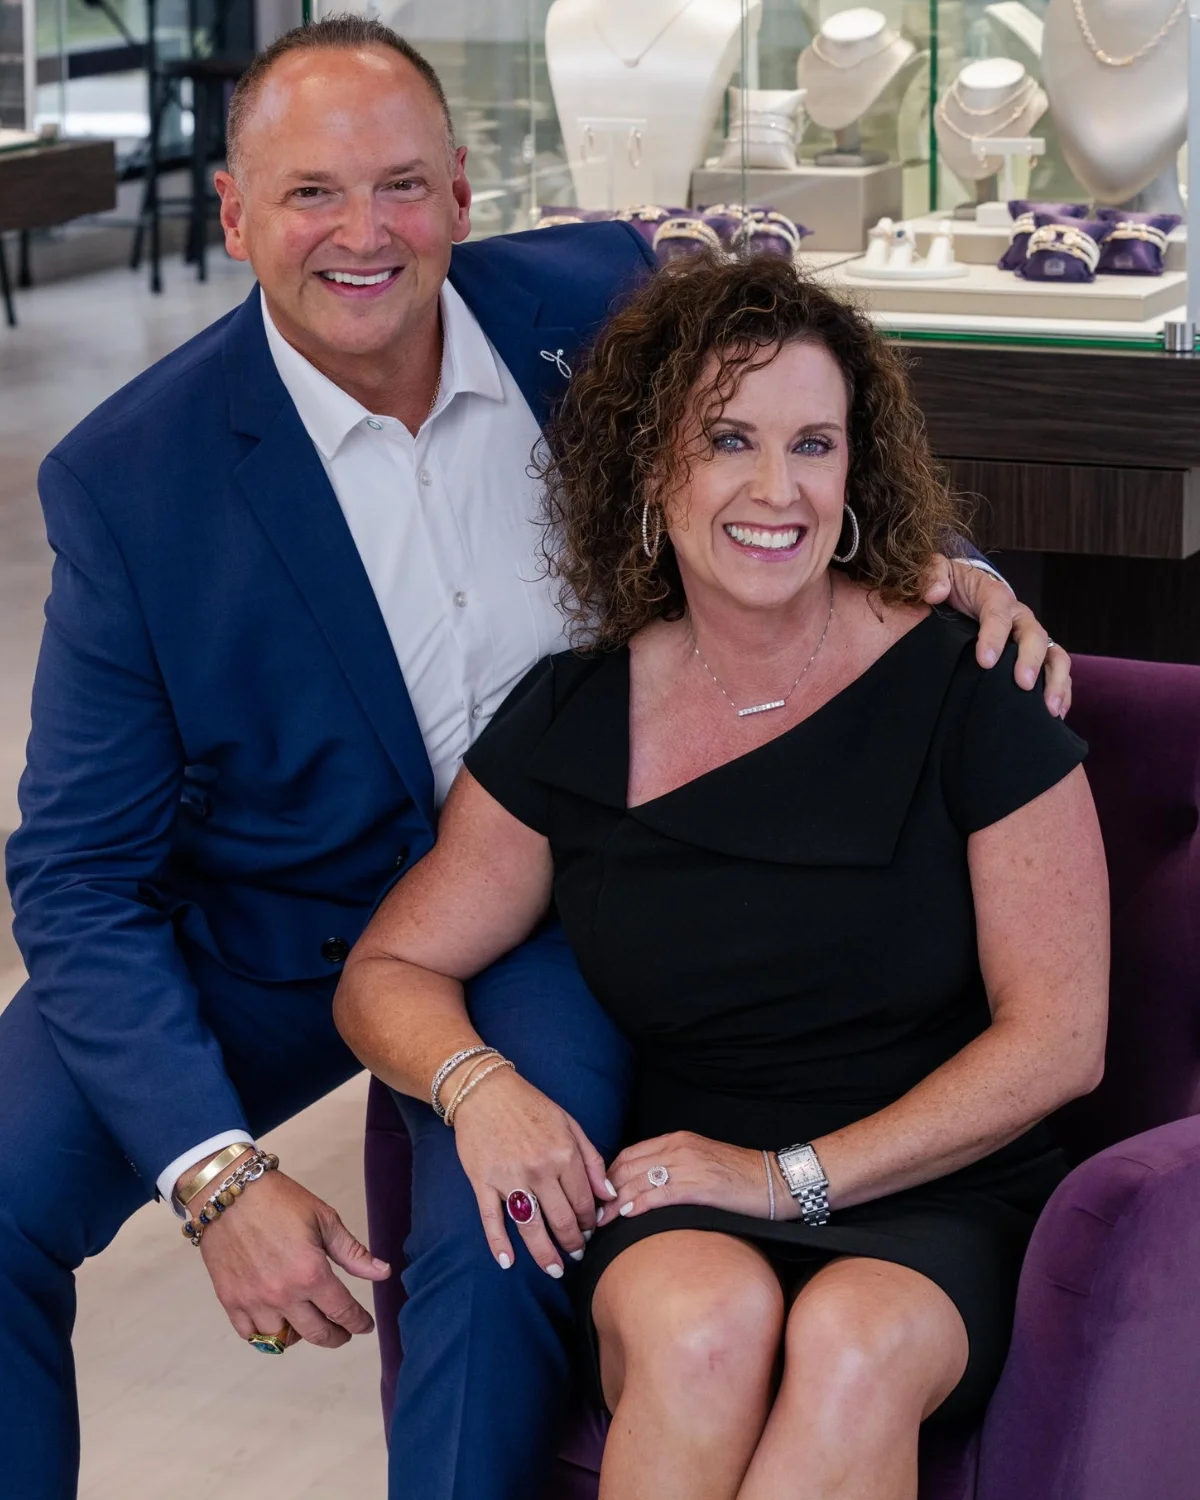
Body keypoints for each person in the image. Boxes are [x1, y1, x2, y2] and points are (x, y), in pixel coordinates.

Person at [0, 16, 1068, 1500]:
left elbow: (804, 434)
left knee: (507, 1231)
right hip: (270, 919)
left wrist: (954, 569)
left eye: (401, 185)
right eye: (311, 193)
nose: (363, 233)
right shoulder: (130, 476)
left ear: (459, 191)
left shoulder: (594, 297)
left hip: (551, 899)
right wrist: (213, 1173)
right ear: (235, 216)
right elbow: (75, 873)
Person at [333, 253, 1110, 1500]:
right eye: (729, 440)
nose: (776, 489)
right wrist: (481, 1087)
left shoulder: (975, 691)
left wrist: (786, 1179)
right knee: (703, 1327)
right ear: (652, 468)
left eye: (814, 446)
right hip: (684, 1181)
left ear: (856, 473)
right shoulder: (576, 713)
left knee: (853, 1346)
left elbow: (1061, 1042)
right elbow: (389, 969)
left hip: (937, 1185)